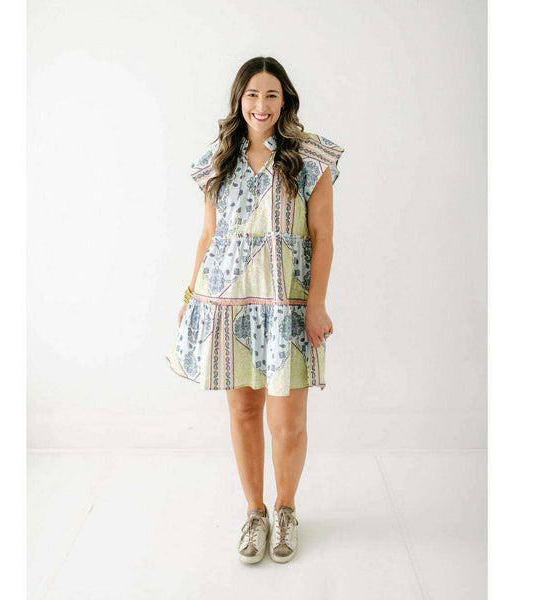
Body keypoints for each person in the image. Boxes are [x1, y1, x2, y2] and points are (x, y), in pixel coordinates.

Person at [165, 56, 344, 564]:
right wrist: (189, 298)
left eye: (271, 95)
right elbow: (208, 236)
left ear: (284, 100)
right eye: (252, 95)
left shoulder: (310, 158)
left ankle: (286, 509)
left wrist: (316, 304)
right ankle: (255, 513)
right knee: (243, 411)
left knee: (288, 422)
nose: (261, 105)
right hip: (226, 304)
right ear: (238, 100)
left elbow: (323, 237)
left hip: (286, 307)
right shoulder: (218, 160)